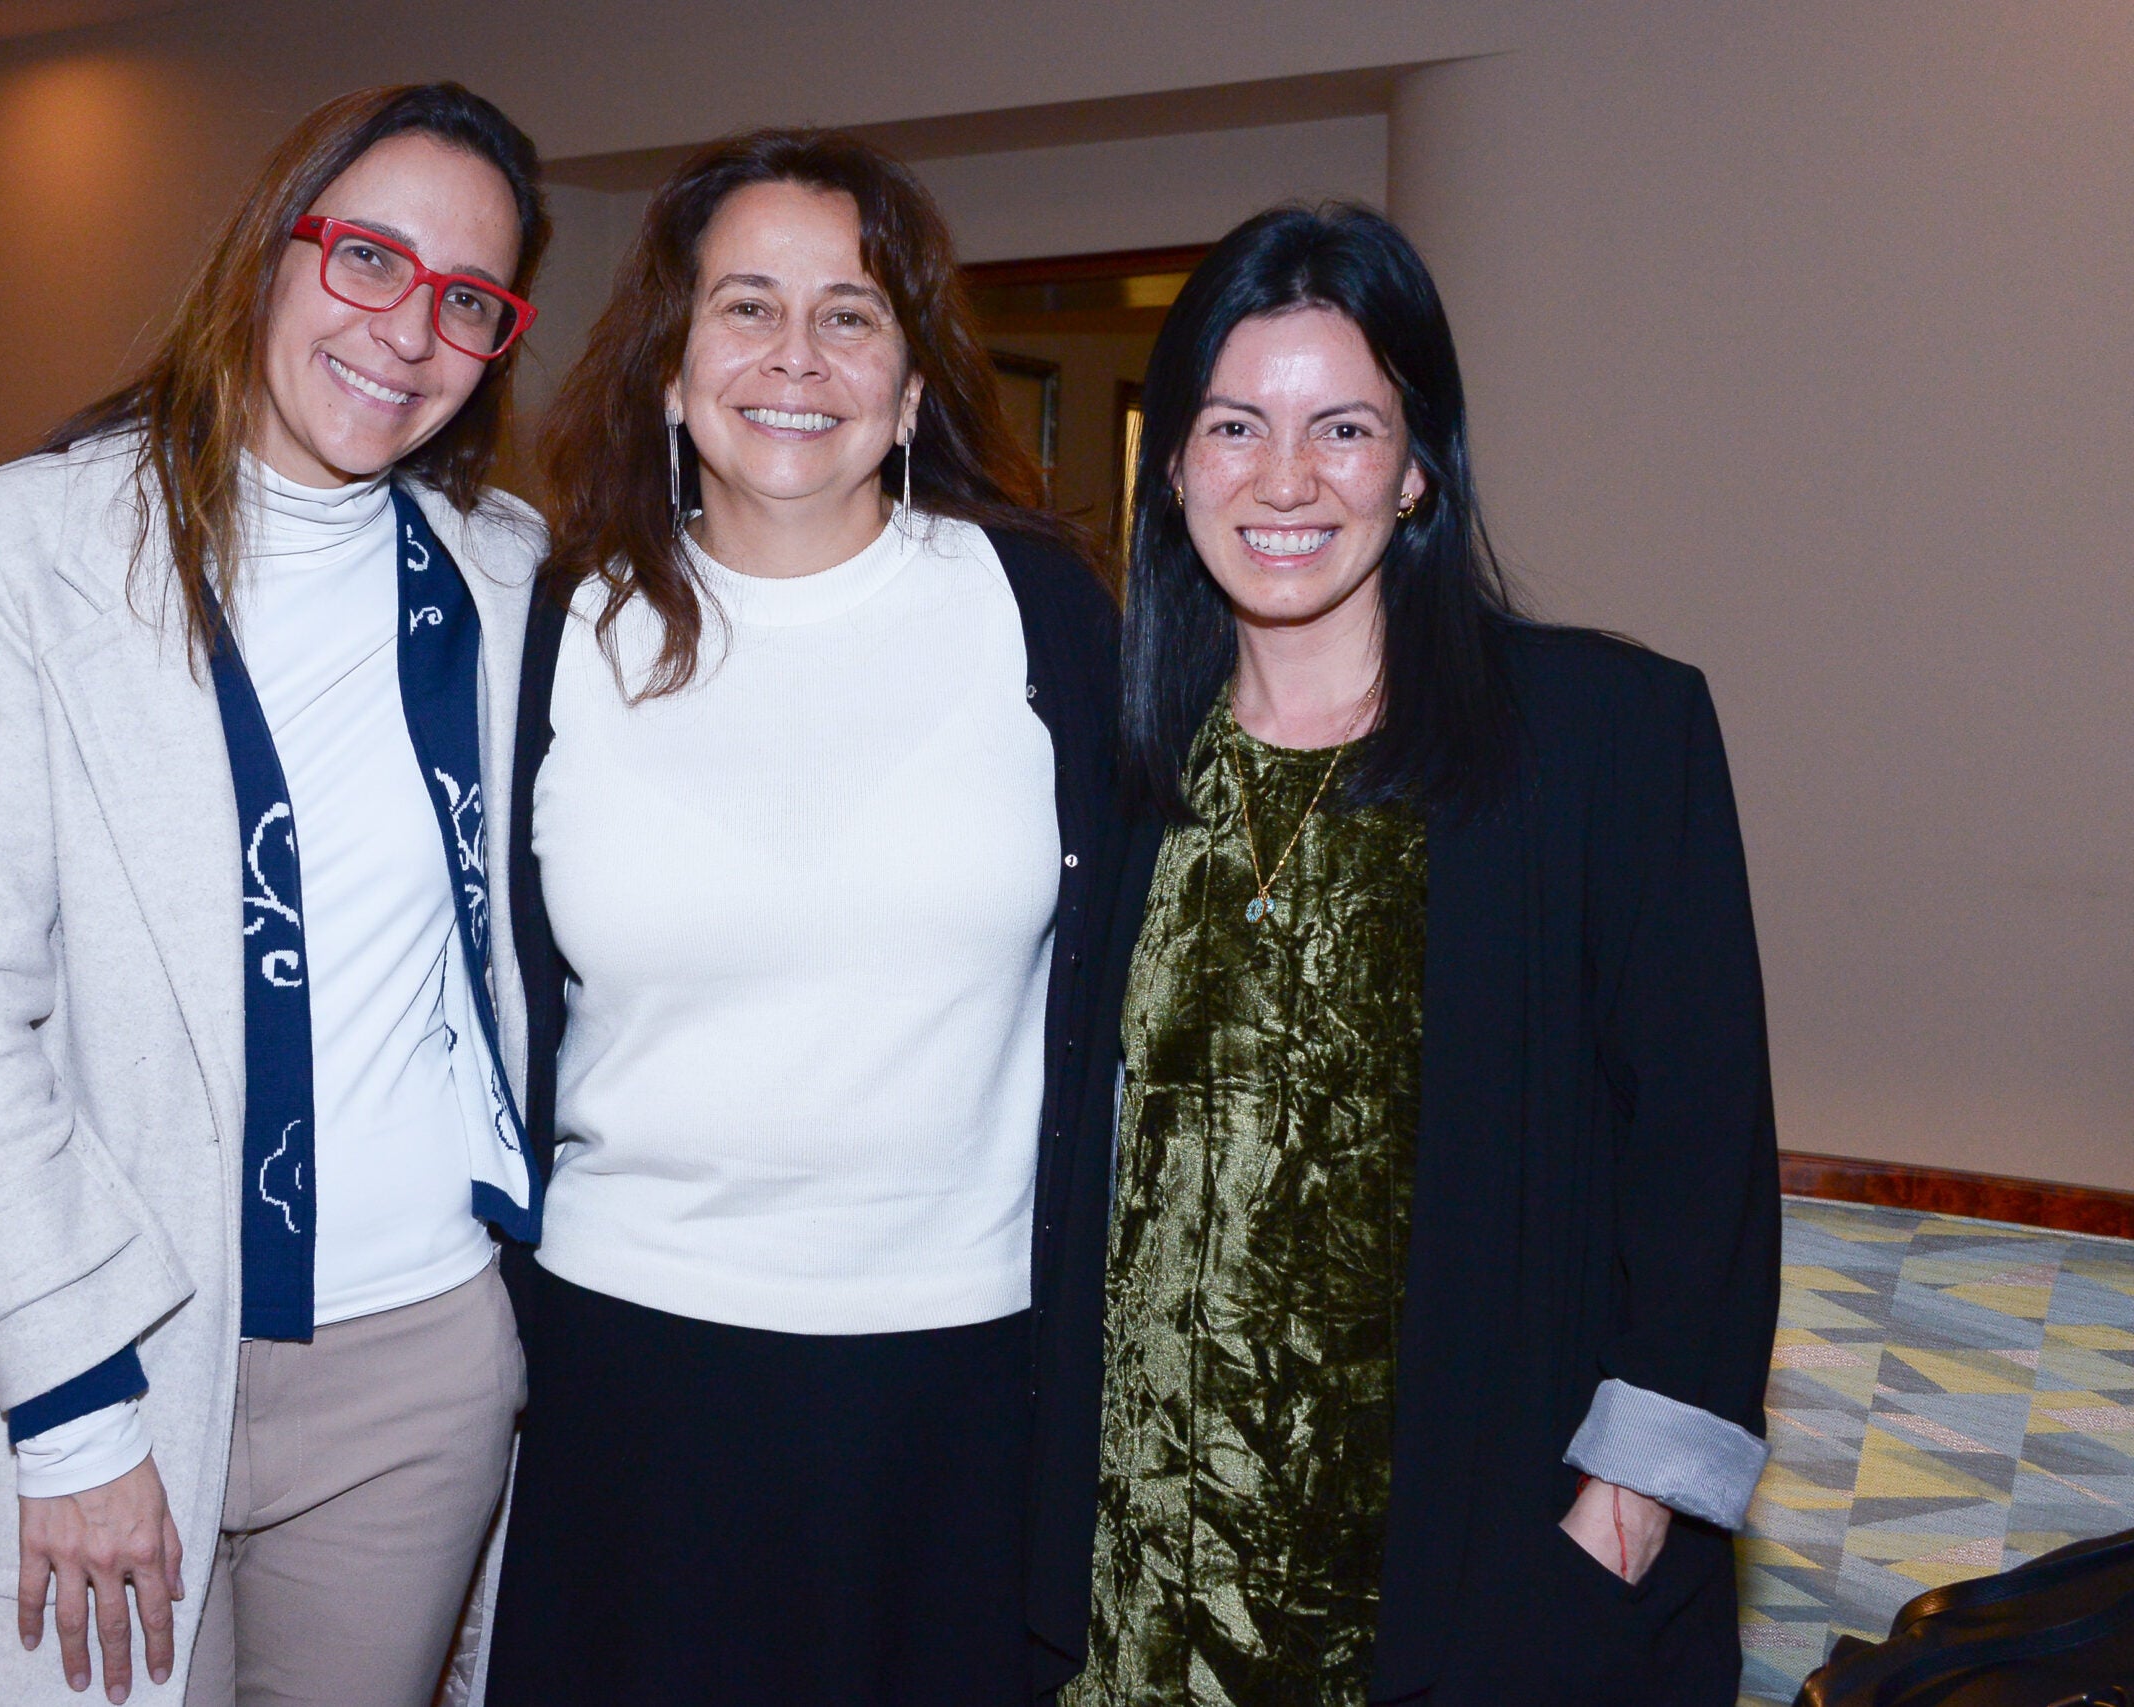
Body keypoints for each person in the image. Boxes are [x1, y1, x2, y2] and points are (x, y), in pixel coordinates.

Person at [0, 83, 551, 1707]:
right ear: (271, 249)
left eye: (469, 298)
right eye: (369, 258)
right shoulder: (11, 555)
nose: (409, 330)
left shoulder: (509, 575)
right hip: (112, 1345)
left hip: (416, 1376)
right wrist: (76, 1410)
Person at [1073, 202, 1780, 1707]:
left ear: (1415, 468)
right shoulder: (1118, 783)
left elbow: (1703, 1157)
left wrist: (1627, 1513)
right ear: (1179, 465)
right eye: (1232, 425)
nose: (1283, 479)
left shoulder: (1603, 742)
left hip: (1474, 1594)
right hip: (1147, 1592)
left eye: (1341, 428)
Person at [481, 129, 1140, 1707]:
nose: (796, 355)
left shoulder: (1037, 607)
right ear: (666, 367)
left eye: (849, 313)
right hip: (627, 1362)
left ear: (911, 387)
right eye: (746, 307)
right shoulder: (561, 623)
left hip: (965, 1373)